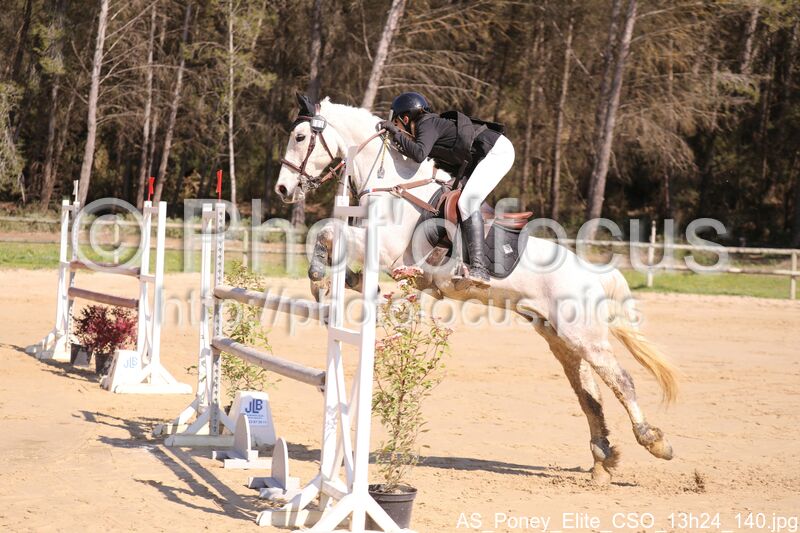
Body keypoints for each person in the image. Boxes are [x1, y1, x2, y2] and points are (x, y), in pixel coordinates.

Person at [378, 91, 515, 288]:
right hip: (483, 155)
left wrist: (395, 132)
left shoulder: (426, 124)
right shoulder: (428, 128)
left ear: (405, 119)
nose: (399, 129)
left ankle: (479, 268)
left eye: (398, 124)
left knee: (467, 202)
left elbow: (418, 154)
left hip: (497, 151)